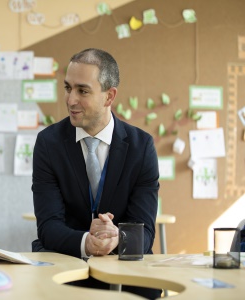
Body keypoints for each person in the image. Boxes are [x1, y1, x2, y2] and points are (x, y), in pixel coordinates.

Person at [32, 48, 160, 299]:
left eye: (83, 90)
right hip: (65, 258)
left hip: (123, 262)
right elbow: (48, 227)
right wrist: (86, 242)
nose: (70, 100)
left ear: (109, 96)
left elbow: (145, 232)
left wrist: (117, 238)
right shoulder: (48, 143)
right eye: (68, 88)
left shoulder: (141, 147)